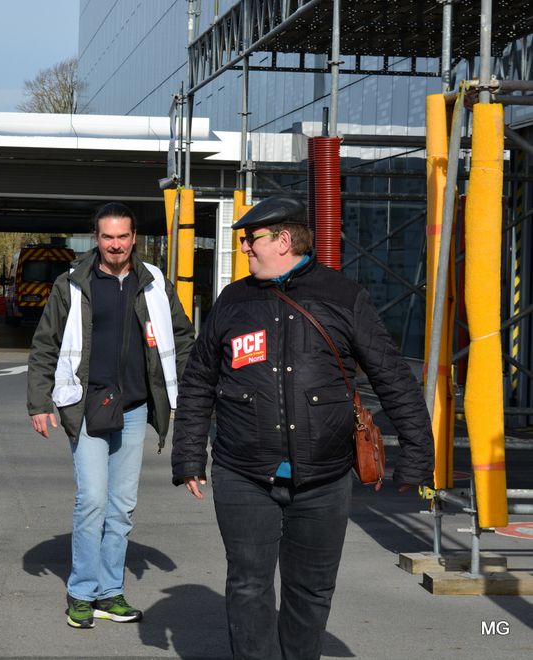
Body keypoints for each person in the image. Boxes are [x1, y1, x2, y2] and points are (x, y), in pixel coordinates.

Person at [171, 195, 434, 660]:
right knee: (249, 585)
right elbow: (198, 383)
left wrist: (417, 452)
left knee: (311, 590)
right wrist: (189, 455)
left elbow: (391, 375)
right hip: (243, 473)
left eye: (251, 240)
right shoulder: (233, 301)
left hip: (325, 477)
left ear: (284, 239)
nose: (246, 249)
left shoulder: (342, 295)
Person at [27, 202, 195, 629]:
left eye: (122, 237)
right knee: (93, 502)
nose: (115, 245)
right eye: (107, 237)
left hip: (136, 407)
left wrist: (189, 392)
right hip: (86, 406)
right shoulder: (73, 283)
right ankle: (82, 592)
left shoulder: (154, 281)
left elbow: (182, 336)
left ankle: (109, 591)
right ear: (96, 238)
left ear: (134, 238)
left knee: (121, 507)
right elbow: (45, 343)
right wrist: (39, 402)